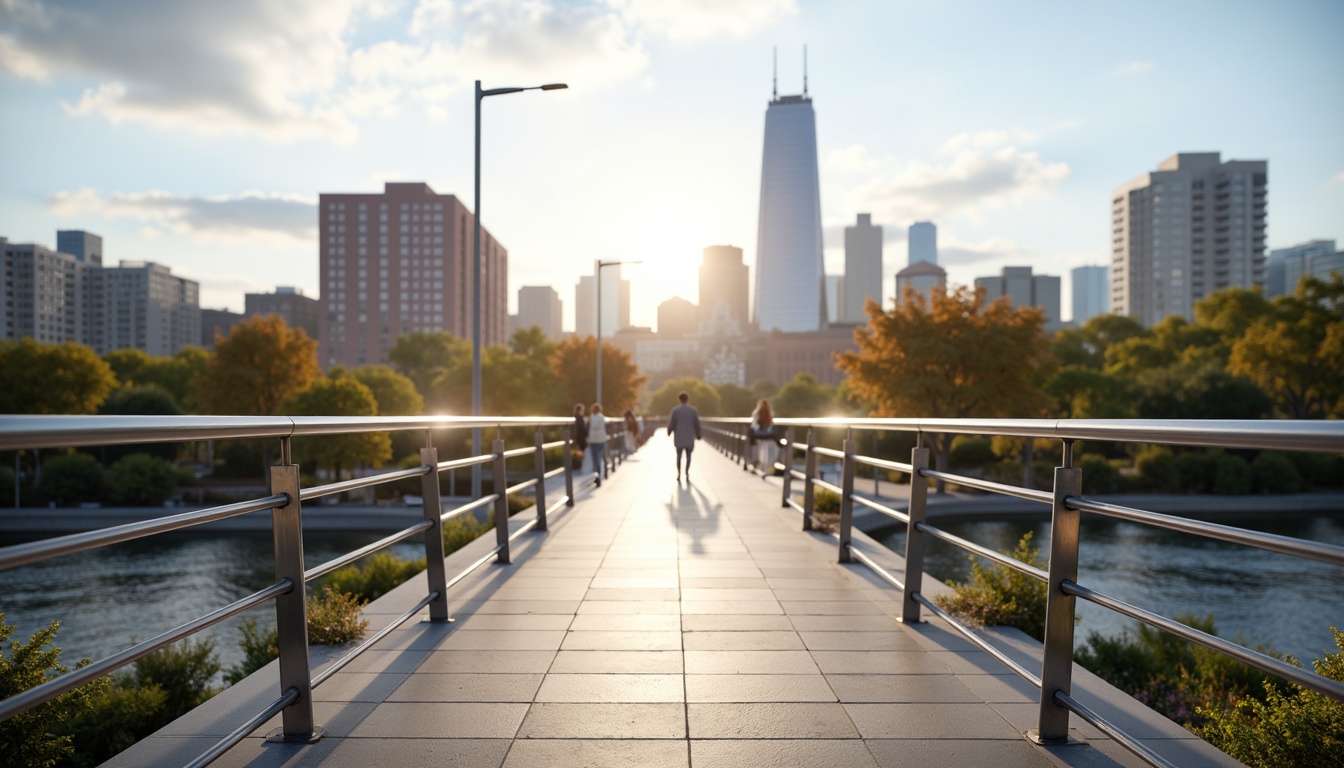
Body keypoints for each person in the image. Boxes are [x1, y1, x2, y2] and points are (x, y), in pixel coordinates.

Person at [666, 391, 702, 482]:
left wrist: (669, 431)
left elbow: (672, 422)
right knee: (689, 456)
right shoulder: (693, 410)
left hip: (679, 436)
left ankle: (679, 473)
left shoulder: (675, 410)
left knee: (678, 456)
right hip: (689, 436)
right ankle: (686, 471)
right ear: (687, 399)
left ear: (679, 399)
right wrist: (698, 434)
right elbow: (697, 424)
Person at [750, 398, 776, 473]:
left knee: (759, 449)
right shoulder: (770, 412)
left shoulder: (756, 412)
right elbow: (771, 426)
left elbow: (754, 425)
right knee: (766, 450)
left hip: (758, 435)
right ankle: (765, 467)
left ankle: (757, 465)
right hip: (768, 436)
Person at [587, 403, 609, 486]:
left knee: (595, 459)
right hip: (602, 440)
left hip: (593, 440)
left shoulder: (591, 418)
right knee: (601, 458)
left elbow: (587, 428)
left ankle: (596, 475)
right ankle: (602, 473)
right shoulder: (602, 417)